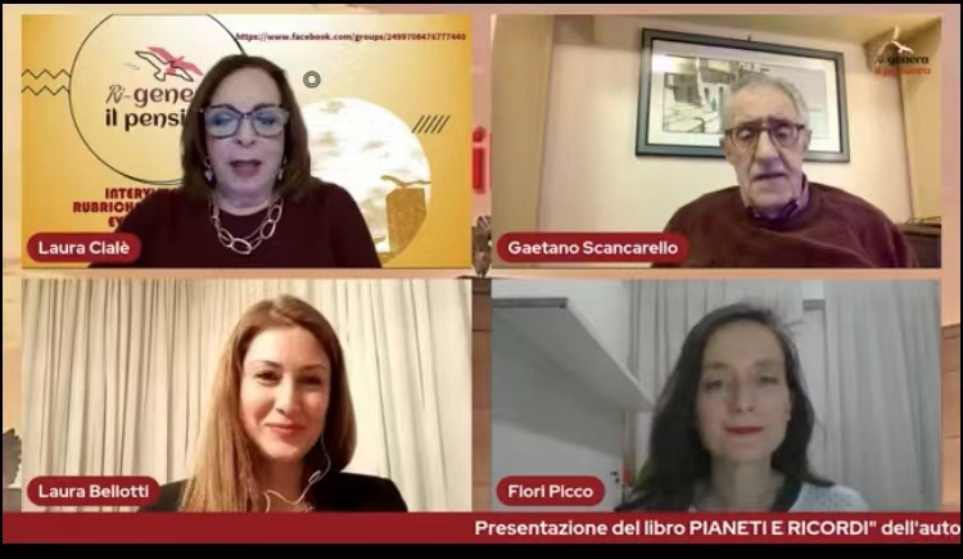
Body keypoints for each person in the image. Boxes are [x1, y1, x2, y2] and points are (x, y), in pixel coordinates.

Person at [100, 55, 381, 268]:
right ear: (202, 136)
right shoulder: (155, 217)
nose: (245, 137)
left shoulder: (332, 208)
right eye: (223, 119)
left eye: (266, 120)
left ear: (287, 135)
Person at [142, 295, 407, 511]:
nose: (288, 403)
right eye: (267, 376)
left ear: (332, 397)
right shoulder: (162, 510)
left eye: (311, 380)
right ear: (235, 389)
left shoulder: (379, 503)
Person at [617, 303, 868, 512]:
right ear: (691, 409)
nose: (742, 403)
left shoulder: (843, 512)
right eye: (716, 384)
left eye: (765, 379)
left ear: (789, 404)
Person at [658, 73, 917, 268]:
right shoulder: (688, 225)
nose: (766, 154)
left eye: (782, 132)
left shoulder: (872, 227)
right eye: (746, 134)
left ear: (805, 142)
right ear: (727, 150)